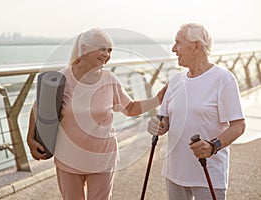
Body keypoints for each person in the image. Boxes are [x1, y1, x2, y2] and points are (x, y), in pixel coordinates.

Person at [27, 28, 167, 200]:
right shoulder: (63, 78)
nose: (107, 54)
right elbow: (39, 108)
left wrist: (157, 100)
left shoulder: (109, 79)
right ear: (84, 48)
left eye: (110, 50)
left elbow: (130, 108)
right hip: (68, 158)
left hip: (103, 158)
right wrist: (30, 138)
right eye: (102, 49)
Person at [147, 23, 245, 200]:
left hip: (207, 173)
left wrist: (212, 146)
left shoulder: (223, 79)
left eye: (178, 43)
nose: (173, 49)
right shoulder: (175, 81)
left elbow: (238, 126)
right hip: (174, 171)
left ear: (196, 45)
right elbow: (165, 121)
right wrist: (159, 125)